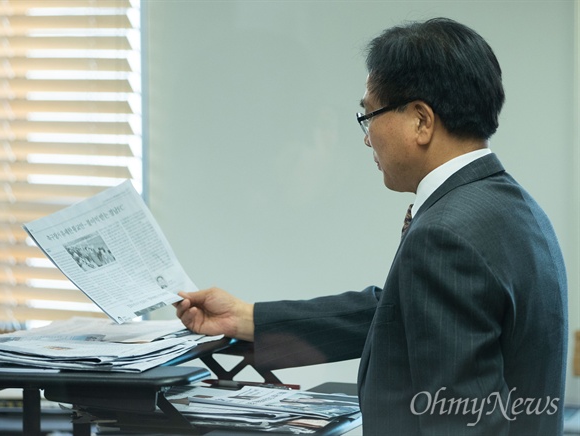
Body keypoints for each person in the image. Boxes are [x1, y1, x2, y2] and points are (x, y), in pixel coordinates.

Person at [175, 17, 568, 435]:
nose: (367, 138)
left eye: (370, 115)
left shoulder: (445, 235)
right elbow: (398, 314)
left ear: (421, 120)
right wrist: (247, 317)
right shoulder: (513, 207)